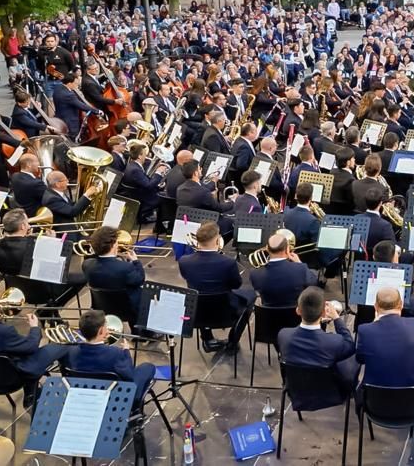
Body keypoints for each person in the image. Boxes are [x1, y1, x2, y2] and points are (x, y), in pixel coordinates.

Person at [0, 285, 68, 408]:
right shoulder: (3, 331)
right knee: (62, 346)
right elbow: (30, 347)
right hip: (12, 380)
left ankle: (30, 393)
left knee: (14, 351)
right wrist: (35, 327)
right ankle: (67, 387)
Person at [177, 221, 254, 353]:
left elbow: (187, 279)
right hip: (225, 312)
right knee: (251, 299)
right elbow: (236, 284)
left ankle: (207, 339)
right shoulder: (228, 263)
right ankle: (232, 342)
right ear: (217, 240)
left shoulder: (184, 261)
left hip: (196, 313)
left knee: (199, 293)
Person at [277, 287, 359, 404]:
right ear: (323, 313)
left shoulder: (283, 335)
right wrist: (336, 318)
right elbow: (350, 346)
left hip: (297, 392)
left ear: (298, 311)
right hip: (332, 394)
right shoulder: (334, 342)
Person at [355, 286, 414, 388]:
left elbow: (360, 359)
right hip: (412, 393)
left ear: (376, 307)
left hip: (374, 396)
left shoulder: (365, 330)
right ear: (401, 305)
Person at [64, 309, 156, 401]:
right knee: (148, 367)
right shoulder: (115, 353)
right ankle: (135, 405)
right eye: (106, 327)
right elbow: (129, 376)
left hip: (88, 393)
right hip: (116, 397)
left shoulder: (72, 352)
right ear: (101, 330)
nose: (107, 329)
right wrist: (126, 352)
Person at [81, 226, 146, 316]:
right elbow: (140, 279)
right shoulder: (126, 268)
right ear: (114, 244)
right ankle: (138, 329)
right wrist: (135, 261)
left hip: (102, 307)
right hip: (129, 310)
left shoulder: (87, 265)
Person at [249, 230, 317, 308]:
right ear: (287, 249)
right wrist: (299, 262)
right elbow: (313, 282)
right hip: (294, 315)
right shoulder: (301, 269)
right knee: (312, 273)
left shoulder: (254, 274)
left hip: (267, 316)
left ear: (267, 248)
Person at [120, 141, 166, 224]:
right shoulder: (135, 170)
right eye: (145, 154)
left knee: (160, 189)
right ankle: (151, 221)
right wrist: (158, 173)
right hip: (140, 196)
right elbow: (148, 186)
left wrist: (158, 183)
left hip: (138, 192)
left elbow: (144, 181)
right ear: (139, 156)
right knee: (164, 198)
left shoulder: (133, 165)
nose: (147, 156)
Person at [43, 170, 99, 234]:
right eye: (65, 180)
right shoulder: (51, 199)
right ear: (58, 184)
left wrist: (89, 197)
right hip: (65, 231)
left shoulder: (57, 192)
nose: (68, 181)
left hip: (71, 226)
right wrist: (86, 195)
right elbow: (72, 212)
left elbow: (72, 205)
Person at [53, 73, 98, 141]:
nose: (77, 86)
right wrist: (96, 111)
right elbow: (81, 106)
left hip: (60, 120)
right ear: (69, 83)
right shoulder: (69, 95)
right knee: (73, 140)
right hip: (70, 123)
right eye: (75, 84)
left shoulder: (58, 88)